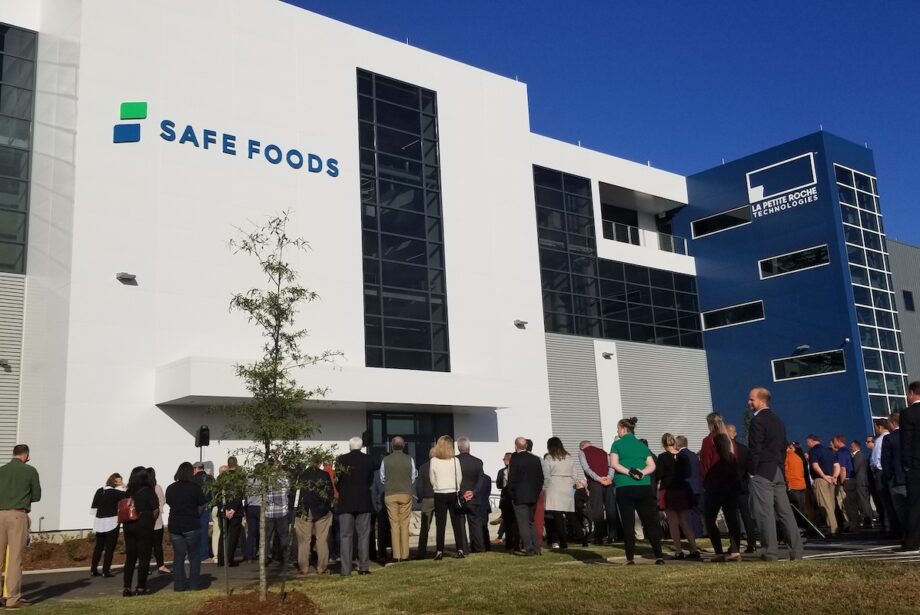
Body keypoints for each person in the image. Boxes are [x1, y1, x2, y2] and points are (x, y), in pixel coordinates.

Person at [746, 387, 803, 561]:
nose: (749, 402)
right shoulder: (778, 421)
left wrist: (752, 472)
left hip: (763, 471)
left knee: (765, 513)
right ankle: (796, 551)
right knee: (785, 512)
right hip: (777, 470)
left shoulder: (757, 421)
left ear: (762, 400)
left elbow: (755, 449)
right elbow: (782, 447)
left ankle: (770, 552)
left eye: (752, 399)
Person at [610, 417, 663, 565]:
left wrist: (629, 472)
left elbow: (613, 464)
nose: (617, 431)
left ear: (623, 428)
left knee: (628, 523)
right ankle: (659, 556)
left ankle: (630, 558)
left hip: (624, 486)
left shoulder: (617, 444)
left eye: (618, 428)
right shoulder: (641, 445)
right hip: (644, 486)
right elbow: (652, 465)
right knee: (650, 522)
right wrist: (641, 473)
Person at [0, 444, 41, 609]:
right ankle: (12, 598)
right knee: (15, 558)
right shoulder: (29, 471)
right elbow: (36, 496)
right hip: (17, 514)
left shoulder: (2, 470)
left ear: (13, 454)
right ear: (25, 455)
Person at [699, 413, 742, 562]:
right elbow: (735, 461)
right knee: (732, 518)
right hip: (731, 483)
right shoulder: (731, 441)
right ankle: (735, 550)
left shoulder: (708, 440)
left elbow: (705, 464)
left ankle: (718, 552)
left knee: (709, 518)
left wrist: (704, 482)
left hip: (715, 484)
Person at [656, 433, 700, 560]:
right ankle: (694, 549)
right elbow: (688, 473)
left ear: (663, 444)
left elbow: (659, 474)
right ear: (674, 442)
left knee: (673, 523)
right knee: (685, 522)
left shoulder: (662, 457)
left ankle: (679, 551)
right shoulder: (683, 456)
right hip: (682, 490)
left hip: (668, 490)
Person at [336, 436, 375, 576]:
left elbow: (337, 481)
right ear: (361, 446)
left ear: (349, 446)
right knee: (364, 535)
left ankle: (346, 569)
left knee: (345, 536)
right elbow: (370, 480)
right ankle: (364, 568)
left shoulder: (341, 460)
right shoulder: (368, 459)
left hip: (346, 502)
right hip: (363, 501)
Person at [165, 462, 206, 592]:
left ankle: (179, 585)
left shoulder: (171, 488)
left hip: (175, 525)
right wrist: (196, 515)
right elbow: (201, 505)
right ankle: (194, 585)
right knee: (194, 556)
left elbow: (169, 503)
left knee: (178, 556)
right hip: (191, 524)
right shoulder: (195, 488)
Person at [122, 466, 159, 597]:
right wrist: (151, 521)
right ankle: (140, 587)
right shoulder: (148, 491)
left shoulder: (128, 492)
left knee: (130, 558)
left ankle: (127, 587)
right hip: (144, 525)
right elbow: (156, 509)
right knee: (144, 557)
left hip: (128, 525)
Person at [429, 435, 467, 559]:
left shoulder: (434, 460)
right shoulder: (455, 460)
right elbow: (459, 478)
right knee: (456, 523)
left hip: (439, 493)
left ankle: (439, 551)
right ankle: (460, 549)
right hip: (453, 492)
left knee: (440, 524)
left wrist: (438, 486)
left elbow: (432, 479)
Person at [380, 436, 417, 562]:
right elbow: (413, 477)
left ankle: (396, 555)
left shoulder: (385, 460)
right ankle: (405, 554)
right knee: (404, 524)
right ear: (403, 446)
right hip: (405, 493)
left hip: (390, 494)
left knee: (394, 525)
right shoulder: (409, 459)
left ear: (392, 446)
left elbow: (382, 478)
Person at [295, 461, 335, 575]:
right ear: (319, 463)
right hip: (321, 510)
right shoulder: (324, 475)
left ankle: (304, 567)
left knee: (304, 540)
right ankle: (321, 567)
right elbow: (330, 492)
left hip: (304, 510)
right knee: (322, 539)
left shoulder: (301, 475)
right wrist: (327, 507)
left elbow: (295, 493)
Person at [507, 436, 544, 556]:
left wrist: (512, 494)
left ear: (515, 446)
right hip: (533, 495)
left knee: (523, 524)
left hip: (519, 496)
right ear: (526, 446)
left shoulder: (515, 459)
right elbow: (540, 479)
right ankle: (537, 547)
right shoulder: (535, 459)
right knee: (531, 522)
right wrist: (536, 492)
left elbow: (511, 479)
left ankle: (529, 548)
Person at [542, 437, 581, 550]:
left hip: (554, 486)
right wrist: (571, 483)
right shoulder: (569, 457)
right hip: (567, 486)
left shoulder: (549, 458)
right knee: (571, 515)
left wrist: (545, 487)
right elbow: (575, 474)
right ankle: (583, 539)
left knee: (557, 516)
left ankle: (563, 542)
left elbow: (546, 474)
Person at [578, 440, 615, 545]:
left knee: (597, 510)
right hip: (608, 482)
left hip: (595, 483)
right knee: (611, 509)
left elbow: (586, 469)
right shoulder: (603, 451)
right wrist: (609, 477)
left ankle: (599, 537)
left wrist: (599, 479)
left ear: (581, 447)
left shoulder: (582, 452)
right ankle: (612, 535)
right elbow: (611, 466)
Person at [727, 423, 757, 552]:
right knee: (746, 514)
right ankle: (752, 542)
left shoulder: (724, 449)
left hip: (729, 486)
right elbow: (751, 469)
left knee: (733, 516)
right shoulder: (744, 449)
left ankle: (735, 544)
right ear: (735, 434)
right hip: (742, 484)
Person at [90, 473, 125, 577]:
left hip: (99, 522)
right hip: (111, 522)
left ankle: (93, 569)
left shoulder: (99, 490)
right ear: (115, 481)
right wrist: (123, 485)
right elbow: (128, 494)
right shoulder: (115, 492)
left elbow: (94, 507)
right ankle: (106, 571)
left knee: (98, 547)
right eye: (119, 481)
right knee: (110, 547)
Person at [455, 436, 486, 553]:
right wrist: (473, 492)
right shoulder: (478, 462)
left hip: (459, 497)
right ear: (469, 447)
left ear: (458, 448)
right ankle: (479, 548)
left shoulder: (454, 461)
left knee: (460, 524)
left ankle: (463, 548)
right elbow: (481, 480)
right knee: (476, 524)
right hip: (474, 497)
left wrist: (462, 493)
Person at [806, 434, 840, 536]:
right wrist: (835, 477)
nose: (807, 444)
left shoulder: (813, 451)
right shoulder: (829, 451)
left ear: (812, 441)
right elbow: (837, 465)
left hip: (821, 480)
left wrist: (824, 476)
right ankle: (835, 526)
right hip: (831, 480)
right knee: (831, 505)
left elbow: (815, 465)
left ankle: (832, 528)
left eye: (808, 442)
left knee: (825, 505)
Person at [882, 412, 908, 540]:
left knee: (901, 508)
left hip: (897, 479)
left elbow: (885, 460)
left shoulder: (889, 439)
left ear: (892, 423)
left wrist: (889, 477)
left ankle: (908, 534)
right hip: (911, 476)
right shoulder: (909, 435)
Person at [901, 381, 920, 551]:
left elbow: (906, 441)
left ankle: (912, 541)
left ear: (912, 393)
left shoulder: (908, 413)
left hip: (916, 464)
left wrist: (906, 464)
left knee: (914, 504)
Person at [676, 435, 705, 539]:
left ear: (678, 444)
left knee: (688, 513)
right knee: (696, 512)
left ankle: (691, 534)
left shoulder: (680, 455)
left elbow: (680, 472)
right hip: (697, 487)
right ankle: (698, 533)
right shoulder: (693, 455)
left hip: (687, 487)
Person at [217, 460, 245, 567]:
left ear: (228, 465)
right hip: (236, 512)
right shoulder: (239, 478)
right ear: (236, 464)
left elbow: (217, 496)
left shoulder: (220, 478)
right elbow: (239, 495)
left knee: (223, 535)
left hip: (224, 511)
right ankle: (230, 559)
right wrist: (233, 509)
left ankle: (221, 560)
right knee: (233, 536)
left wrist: (224, 509)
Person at [831, 435, 858, 533]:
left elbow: (842, 468)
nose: (833, 443)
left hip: (846, 480)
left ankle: (852, 525)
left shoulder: (841, 452)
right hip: (852, 479)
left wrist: (842, 483)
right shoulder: (848, 451)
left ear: (838, 441)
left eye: (834, 441)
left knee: (846, 504)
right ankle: (854, 524)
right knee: (852, 503)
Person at [147, 467, 171, 574]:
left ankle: (145, 567)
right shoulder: (157, 487)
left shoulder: (142, 489)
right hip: (157, 521)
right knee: (157, 545)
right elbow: (162, 501)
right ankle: (161, 566)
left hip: (144, 521)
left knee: (146, 545)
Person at [415, 447, 436, 558]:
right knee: (440, 525)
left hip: (427, 498)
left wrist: (420, 498)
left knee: (424, 527)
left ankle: (421, 551)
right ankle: (440, 549)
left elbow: (419, 485)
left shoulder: (423, 467)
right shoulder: (441, 466)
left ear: (429, 456)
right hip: (439, 497)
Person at [850, 440, 874, 529]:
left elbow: (855, 468)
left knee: (864, 501)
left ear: (855, 446)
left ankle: (868, 521)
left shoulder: (858, 455)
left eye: (851, 446)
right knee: (865, 500)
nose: (850, 448)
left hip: (861, 482)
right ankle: (869, 519)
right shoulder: (862, 455)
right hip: (864, 481)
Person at [493, 452, 515, 549]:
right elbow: (498, 485)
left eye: (504, 459)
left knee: (513, 522)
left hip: (514, 499)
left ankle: (515, 542)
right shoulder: (501, 471)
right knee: (507, 521)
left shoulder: (516, 470)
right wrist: (503, 483)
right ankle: (508, 543)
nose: (503, 461)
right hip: (505, 499)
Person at [785, 442, 809, 530]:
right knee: (802, 508)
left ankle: (798, 528)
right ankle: (804, 527)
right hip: (802, 485)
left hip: (793, 485)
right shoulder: (798, 457)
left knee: (795, 509)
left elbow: (785, 472)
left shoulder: (787, 457)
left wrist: (787, 484)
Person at [191, 461, 212, 562]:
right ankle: (204, 554)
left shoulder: (192, 479)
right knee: (204, 531)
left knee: (193, 532)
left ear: (196, 468)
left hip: (194, 508)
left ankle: (194, 554)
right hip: (206, 506)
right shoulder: (209, 478)